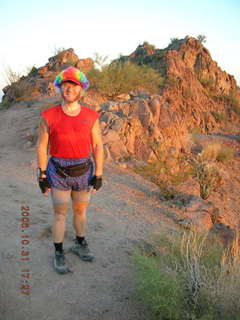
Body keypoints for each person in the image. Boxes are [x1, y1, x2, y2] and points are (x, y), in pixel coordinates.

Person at [37, 66, 104, 274]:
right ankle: (58, 252)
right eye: (66, 85)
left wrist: (99, 174)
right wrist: (42, 174)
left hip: (84, 171)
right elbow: (41, 146)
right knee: (60, 213)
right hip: (58, 172)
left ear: (80, 90)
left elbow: (97, 146)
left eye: (74, 85)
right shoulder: (48, 115)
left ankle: (80, 243)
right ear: (60, 88)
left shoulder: (91, 116)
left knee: (80, 211)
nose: (69, 89)